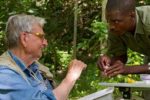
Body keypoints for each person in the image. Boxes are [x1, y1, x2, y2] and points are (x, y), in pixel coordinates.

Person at [0, 14, 87, 100]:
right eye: (41, 37)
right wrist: (71, 78)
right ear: (24, 38)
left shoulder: (36, 68)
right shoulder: (4, 75)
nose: (45, 43)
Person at [97, 0, 150, 99]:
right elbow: (120, 56)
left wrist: (128, 69)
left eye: (116, 21)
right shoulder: (116, 29)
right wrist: (110, 61)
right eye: (109, 21)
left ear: (132, 15)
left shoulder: (148, 20)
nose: (111, 26)